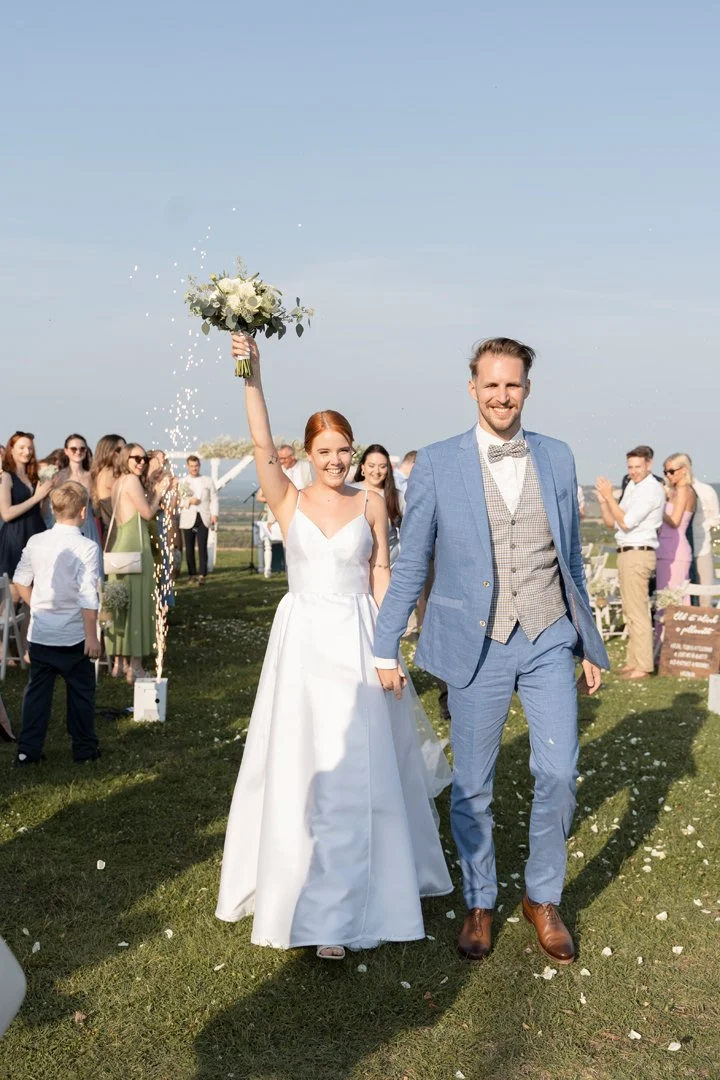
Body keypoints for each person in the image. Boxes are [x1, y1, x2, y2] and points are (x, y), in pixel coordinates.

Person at [216, 332, 452, 959]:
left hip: (355, 639)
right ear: (310, 452)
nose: (336, 460)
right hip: (300, 646)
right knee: (298, 760)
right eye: (325, 450)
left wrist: (389, 648)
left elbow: (379, 574)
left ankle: (365, 890)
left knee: (361, 766)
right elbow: (262, 444)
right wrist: (252, 372)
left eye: (344, 450)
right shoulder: (287, 498)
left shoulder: (372, 501)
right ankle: (296, 884)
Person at [374, 336, 609, 965]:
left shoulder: (558, 458)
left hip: (549, 633)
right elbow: (410, 561)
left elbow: (571, 559)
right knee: (473, 784)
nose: (502, 396)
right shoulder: (439, 463)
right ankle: (480, 900)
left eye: (513, 385)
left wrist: (587, 640)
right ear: (472, 388)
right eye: (491, 385)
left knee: (557, 771)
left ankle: (542, 896)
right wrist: (384, 643)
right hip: (475, 643)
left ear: (527, 389)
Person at [12, 482, 101, 765]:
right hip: (74, 635)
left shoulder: (36, 541)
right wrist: (92, 636)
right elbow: (88, 594)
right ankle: (84, 750)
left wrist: (35, 604)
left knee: (37, 694)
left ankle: (28, 751)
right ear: (83, 511)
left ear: (53, 509)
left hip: (41, 634)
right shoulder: (87, 547)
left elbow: (20, 580)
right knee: (80, 694)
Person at [596, 446, 665, 679]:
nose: (633, 472)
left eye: (638, 467)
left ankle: (643, 666)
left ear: (649, 464)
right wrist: (605, 501)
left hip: (638, 552)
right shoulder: (633, 487)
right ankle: (633, 661)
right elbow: (611, 522)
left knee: (638, 611)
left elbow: (626, 522)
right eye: (630, 467)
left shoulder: (652, 490)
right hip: (626, 552)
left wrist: (609, 497)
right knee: (630, 610)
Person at [104, 444, 167, 682]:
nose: (141, 462)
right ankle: (136, 667)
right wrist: (160, 492)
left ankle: (119, 664)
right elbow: (147, 513)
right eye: (136, 458)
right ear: (125, 459)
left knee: (120, 606)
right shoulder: (131, 481)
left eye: (144, 458)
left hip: (120, 545)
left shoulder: (119, 481)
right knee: (139, 604)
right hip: (135, 547)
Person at [656, 453, 697, 606]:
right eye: (665, 472)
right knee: (667, 599)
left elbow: (674, 520)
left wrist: (658, 507)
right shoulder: (677, 490)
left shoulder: (683, 490)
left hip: (674, 550)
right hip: (667, 549)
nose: (668, 475)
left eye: (671, 471)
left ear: (684, 470)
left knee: (670, 600)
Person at [353, 444, 404, 566]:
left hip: (389, 566)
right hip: (356, 567)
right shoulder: (350, 492)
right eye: (371, 466)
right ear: (362, 467)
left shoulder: (398, 497)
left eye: (382, 467)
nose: (376, 471)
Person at [56, 433, 103, 554]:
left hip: (88, 525)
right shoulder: (59, 477)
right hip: (66, 526)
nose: (78, 452)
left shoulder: (92, 476)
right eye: (73, 449)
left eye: (82, 449)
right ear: (66, 451)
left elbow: (97, 508)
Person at [178, 455, 219, 585]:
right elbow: (178, 500)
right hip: (188, 517)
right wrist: (189, 501)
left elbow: (214, 498)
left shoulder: (207, 480)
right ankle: (191, 574)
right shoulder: (182, 481)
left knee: (203, 547)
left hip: (203, 517)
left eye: (196, 466)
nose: (194, 468)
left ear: (199, 466)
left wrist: (214, 514)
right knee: (189, 548)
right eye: (191, 466)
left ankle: (202, 574)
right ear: (187, 466)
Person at [91, 434, 126, 546]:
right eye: (119, 450)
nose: (123, 453)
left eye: (125, 449)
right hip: (117, 535)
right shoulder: (109, 474)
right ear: (108, 451)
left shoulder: (102, 473)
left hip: (114, 533)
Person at [690, 462, 720, 588]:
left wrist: (704, 526)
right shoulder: (672, 492)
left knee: (704, 592)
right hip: (680, 552)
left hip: (702, 548)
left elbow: (715, 518)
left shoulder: (706, 491)